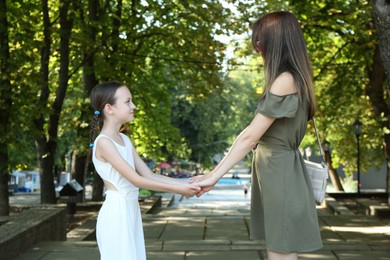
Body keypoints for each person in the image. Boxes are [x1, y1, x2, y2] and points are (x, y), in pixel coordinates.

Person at [190, 11, 322, 260]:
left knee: (280, 251)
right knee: (281, 248)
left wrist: (214, 177)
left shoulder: (285, 80)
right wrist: (213, 173)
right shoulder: (294, 78)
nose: (258, 50)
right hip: (278, 171)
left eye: (260, 44)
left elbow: (250, 137)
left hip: (279, 171)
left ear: (275, 43)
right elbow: (249, 134)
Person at [89, 81, 201, 260]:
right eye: (127, 102)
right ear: (109, 108)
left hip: (130, 210)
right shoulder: (104, 142)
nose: (133, 106)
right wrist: (178, 190)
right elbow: (136, 180)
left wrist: (187, 182)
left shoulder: (124, 139)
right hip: (117, 214)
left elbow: (148, 174)